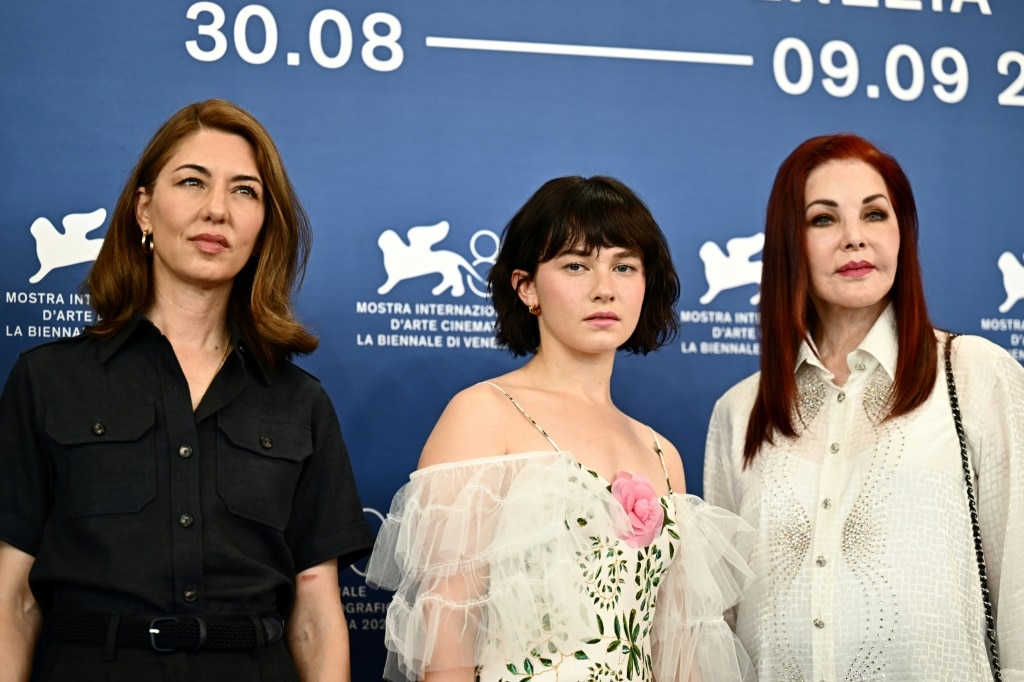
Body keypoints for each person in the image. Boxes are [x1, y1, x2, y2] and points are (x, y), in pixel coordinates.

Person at [0, 99, 374, 681]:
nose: (217, 210)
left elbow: (316, 615)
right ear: (144, 210)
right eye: (192, 181)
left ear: (264, 225)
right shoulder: (47, 380)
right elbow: (13, 600)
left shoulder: (300, 402)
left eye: (245, 191)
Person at [367, 175, 755, 681]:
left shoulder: (662, 452)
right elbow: (447, 641)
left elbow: (677, 654)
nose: (604, 288)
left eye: (624, 266)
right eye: (576, 265)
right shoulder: (483, 414)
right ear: (526, 287)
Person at [703, 133, 1024, 680]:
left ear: (902, 234)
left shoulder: (976, 375)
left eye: (875, 215)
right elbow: (721, 624)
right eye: (824, 220)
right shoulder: (740, 411)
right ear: (790, 242)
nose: (854, 239)